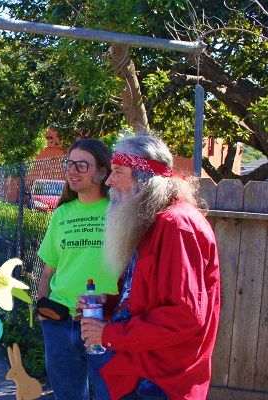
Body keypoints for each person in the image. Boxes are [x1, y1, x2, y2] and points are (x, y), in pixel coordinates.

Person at [80, 135, 221, 400]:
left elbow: (184, 316)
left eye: (118, 171)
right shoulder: (152, 221)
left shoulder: (175, 226)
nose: (108, 181)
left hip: (161, 382)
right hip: (143, 372)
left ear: (144, 178)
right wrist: (108, 305)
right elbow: (146, 296)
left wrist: (109, 333)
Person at [36, 138, 118, 400]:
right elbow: (48, 270)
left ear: (102, 172)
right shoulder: (61, 214)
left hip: (105, 323)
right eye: (70, 164)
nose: (73, 171)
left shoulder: (118, 213)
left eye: (82, 165)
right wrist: (41, 308)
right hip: (60, 323)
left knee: (111, 394)